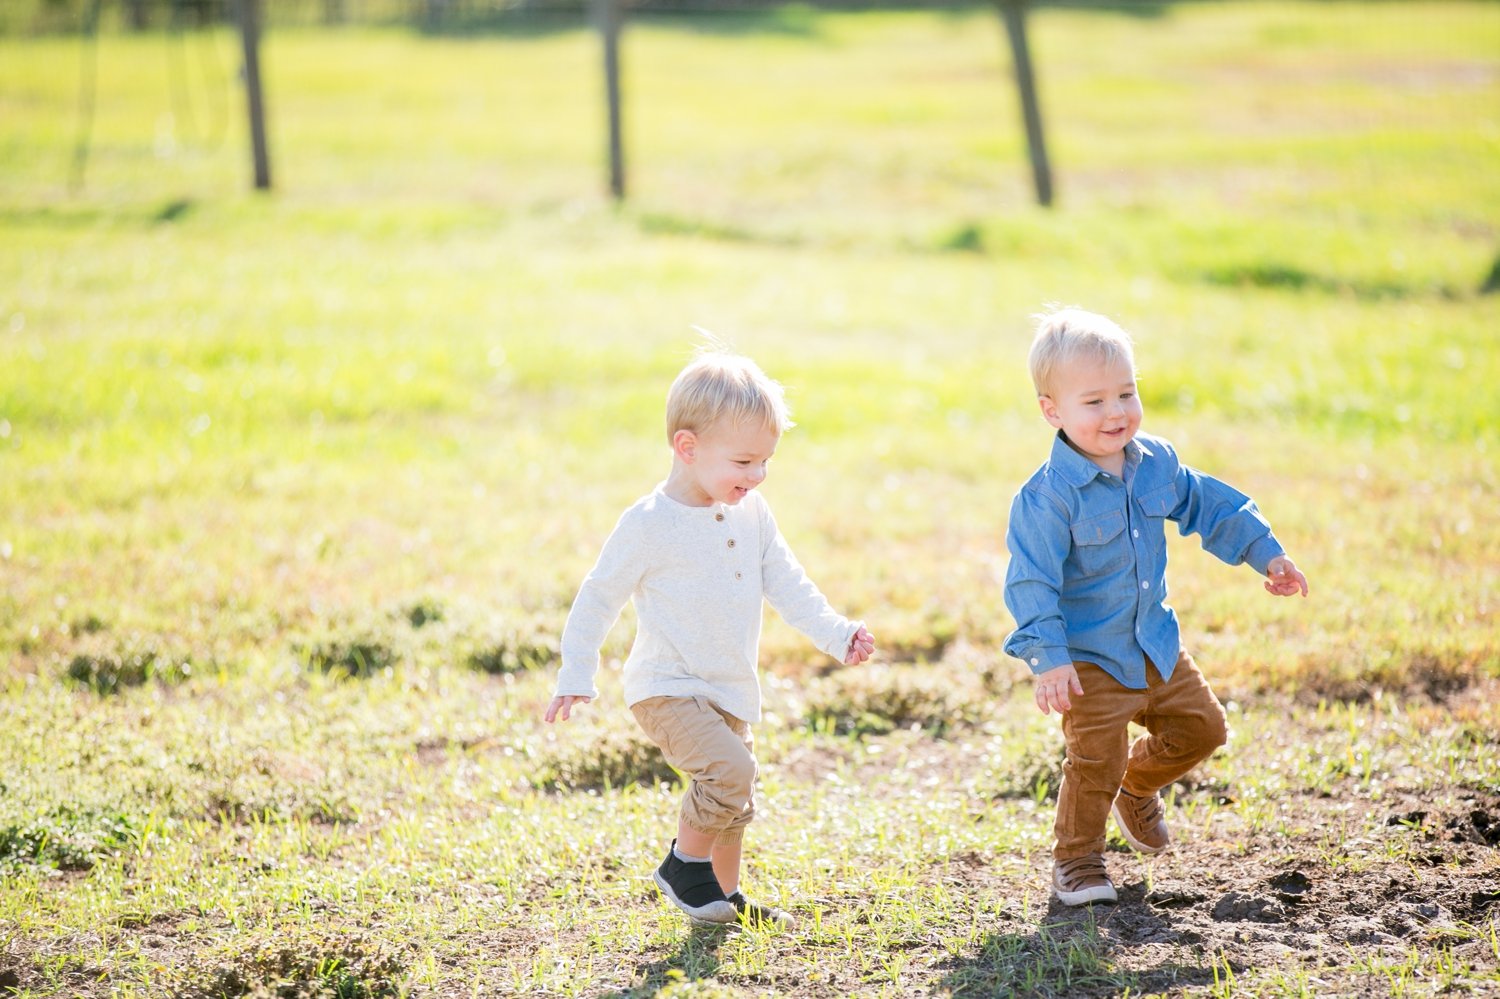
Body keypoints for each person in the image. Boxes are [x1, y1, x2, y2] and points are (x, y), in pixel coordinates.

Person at [545, 345, 875, 928]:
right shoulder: (649, 524)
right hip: (667, 687)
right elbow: (598, 596)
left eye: (766, 461)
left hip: (728, 686)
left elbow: (788, 582)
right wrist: (576, 672)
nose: (758, 476)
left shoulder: (752, 512)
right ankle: (683, 864)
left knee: (737, 800)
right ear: (688, 448)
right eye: (744, 462)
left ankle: (724, 894)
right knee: (730, 773)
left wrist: (836, 633)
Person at [1003, 307, 1309, 906]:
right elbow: (1030, 582)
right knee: (1095, 758)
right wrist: (1049, 657)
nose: (1116, 412)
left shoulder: (1156, 463)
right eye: (1094, 402)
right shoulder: (1045, 499)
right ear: (1052, 411)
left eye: (1126, 392)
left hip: (1154, 642)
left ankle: (1135, 787)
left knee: (1204, 728)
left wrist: (1265, 554)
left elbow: (1210, 505)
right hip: (1088, 657)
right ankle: (1078, 863)